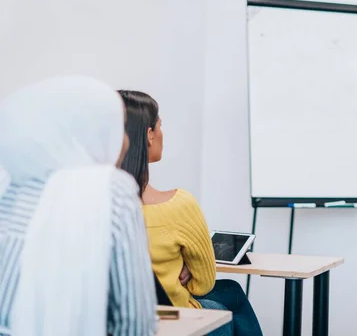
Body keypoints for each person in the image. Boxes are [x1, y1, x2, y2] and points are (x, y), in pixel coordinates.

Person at [0, 76, 157, 336]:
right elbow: (135, 326)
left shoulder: (6, 184)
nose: (125, 142)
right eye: (119, 129)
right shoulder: (111, 191)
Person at [118, 90, 263, 336]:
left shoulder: (90, 209)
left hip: (121, 319)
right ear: (149, 135)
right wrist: (182, 263)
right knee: (228, 301)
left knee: (231, 290)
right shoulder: (178, 205)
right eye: (160, 126)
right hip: (170, 317)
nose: (162, 133)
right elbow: (202, 283)